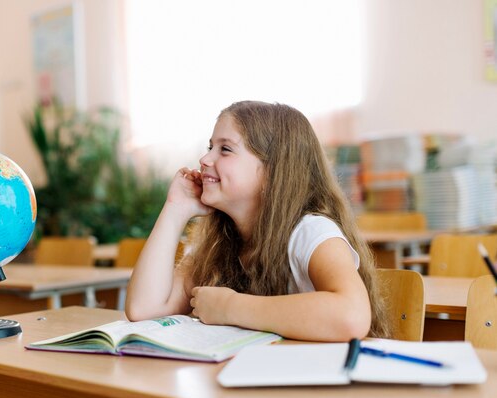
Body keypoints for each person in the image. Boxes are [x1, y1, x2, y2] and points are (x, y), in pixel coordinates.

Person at [125, 101, 389, 341]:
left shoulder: (310, 232)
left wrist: (231, 307)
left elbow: (351, 316)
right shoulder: (218, 243)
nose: (205, 159)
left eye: (225, 149)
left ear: (274, 169)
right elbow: (145, 309)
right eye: (210, 147)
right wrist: (174, 210)